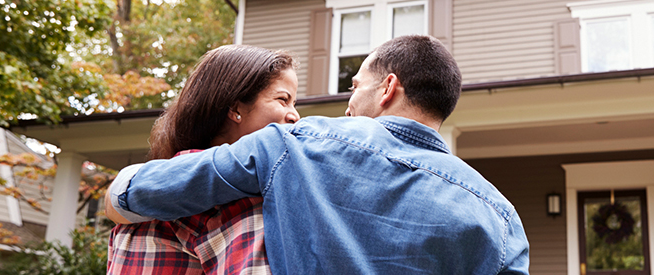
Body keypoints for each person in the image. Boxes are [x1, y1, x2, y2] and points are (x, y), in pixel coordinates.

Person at [106, 35, 529, 274]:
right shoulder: (502, 216)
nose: (347, 103)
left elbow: (155, 187)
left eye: (355, 86)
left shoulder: (298, 144)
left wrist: (119, 191)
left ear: (387, 89)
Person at [106, 45, 300, 274]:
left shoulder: (153, 181)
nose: (295, 115)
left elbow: (115, 201)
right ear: (235, 108)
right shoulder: (232, 194)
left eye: (294, 103)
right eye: (283, 100)